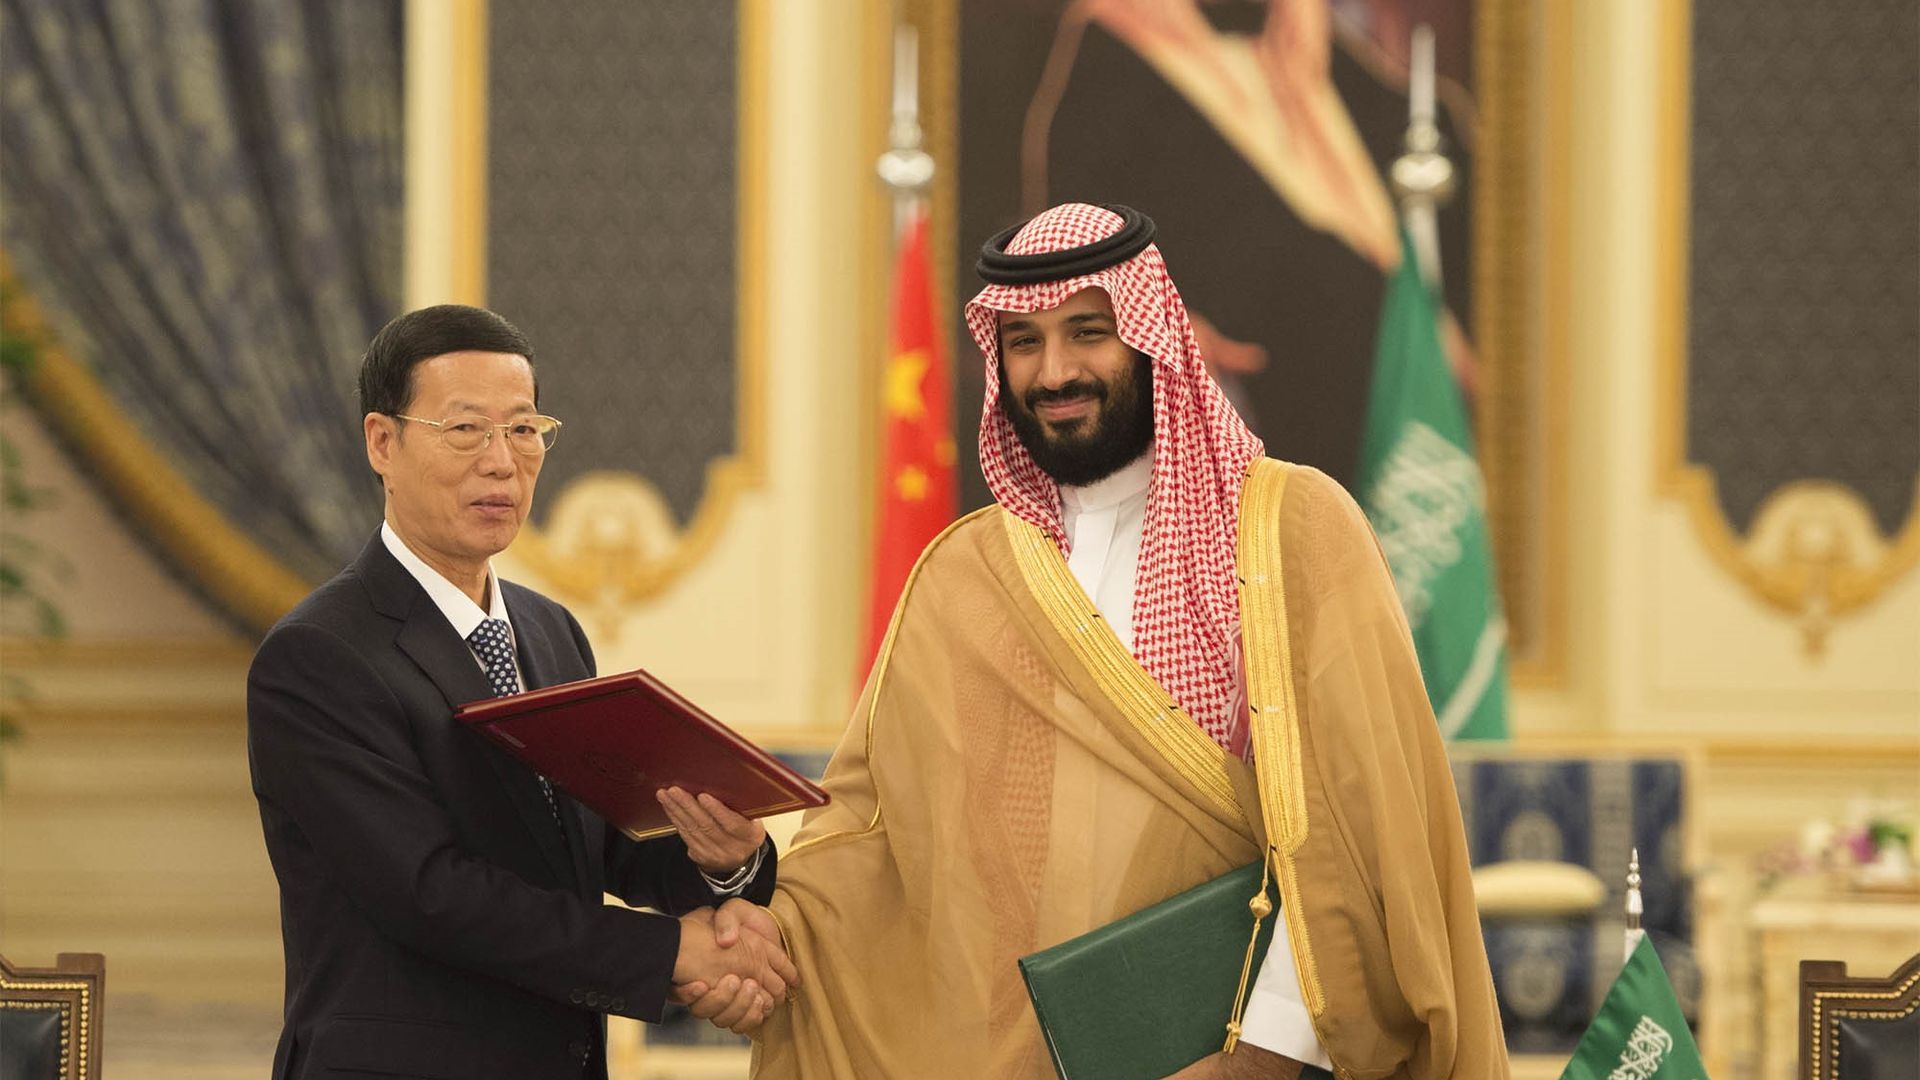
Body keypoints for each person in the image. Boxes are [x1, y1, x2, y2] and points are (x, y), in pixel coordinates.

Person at [742, 205, 1504, 1078]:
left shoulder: (1293, 531)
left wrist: (1260, 1055)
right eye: (1023, 342)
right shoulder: (964, 575)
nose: (1054, 371)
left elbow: (1357, 828)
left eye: (1088, 332)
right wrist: (753, 928)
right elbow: (871, 833)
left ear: (1152, 337)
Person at [247, 304, 795, 1080]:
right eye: (466, 430)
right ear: (382, 443)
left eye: (524, 430)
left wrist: (725, 863)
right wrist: (676, 953)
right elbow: (429, 894)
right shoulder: (318, 655)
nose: (502, 462)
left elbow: (601, 846)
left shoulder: (548, 631)